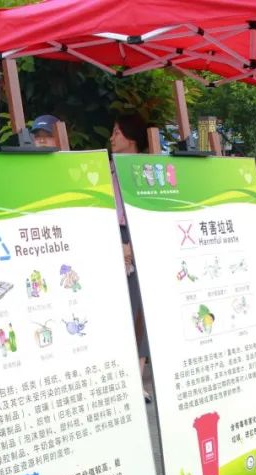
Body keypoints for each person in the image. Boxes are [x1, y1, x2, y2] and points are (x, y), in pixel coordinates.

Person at [110, 114, 153, 403]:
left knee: (140, 311)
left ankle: (136, 377)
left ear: (132, 137)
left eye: (117, 132)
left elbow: (149, 209)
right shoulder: (108, 170)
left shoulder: (147, 170)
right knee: (117, 311)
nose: (112, 138)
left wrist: (133, 245)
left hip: (139, 238)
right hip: (112, 237)